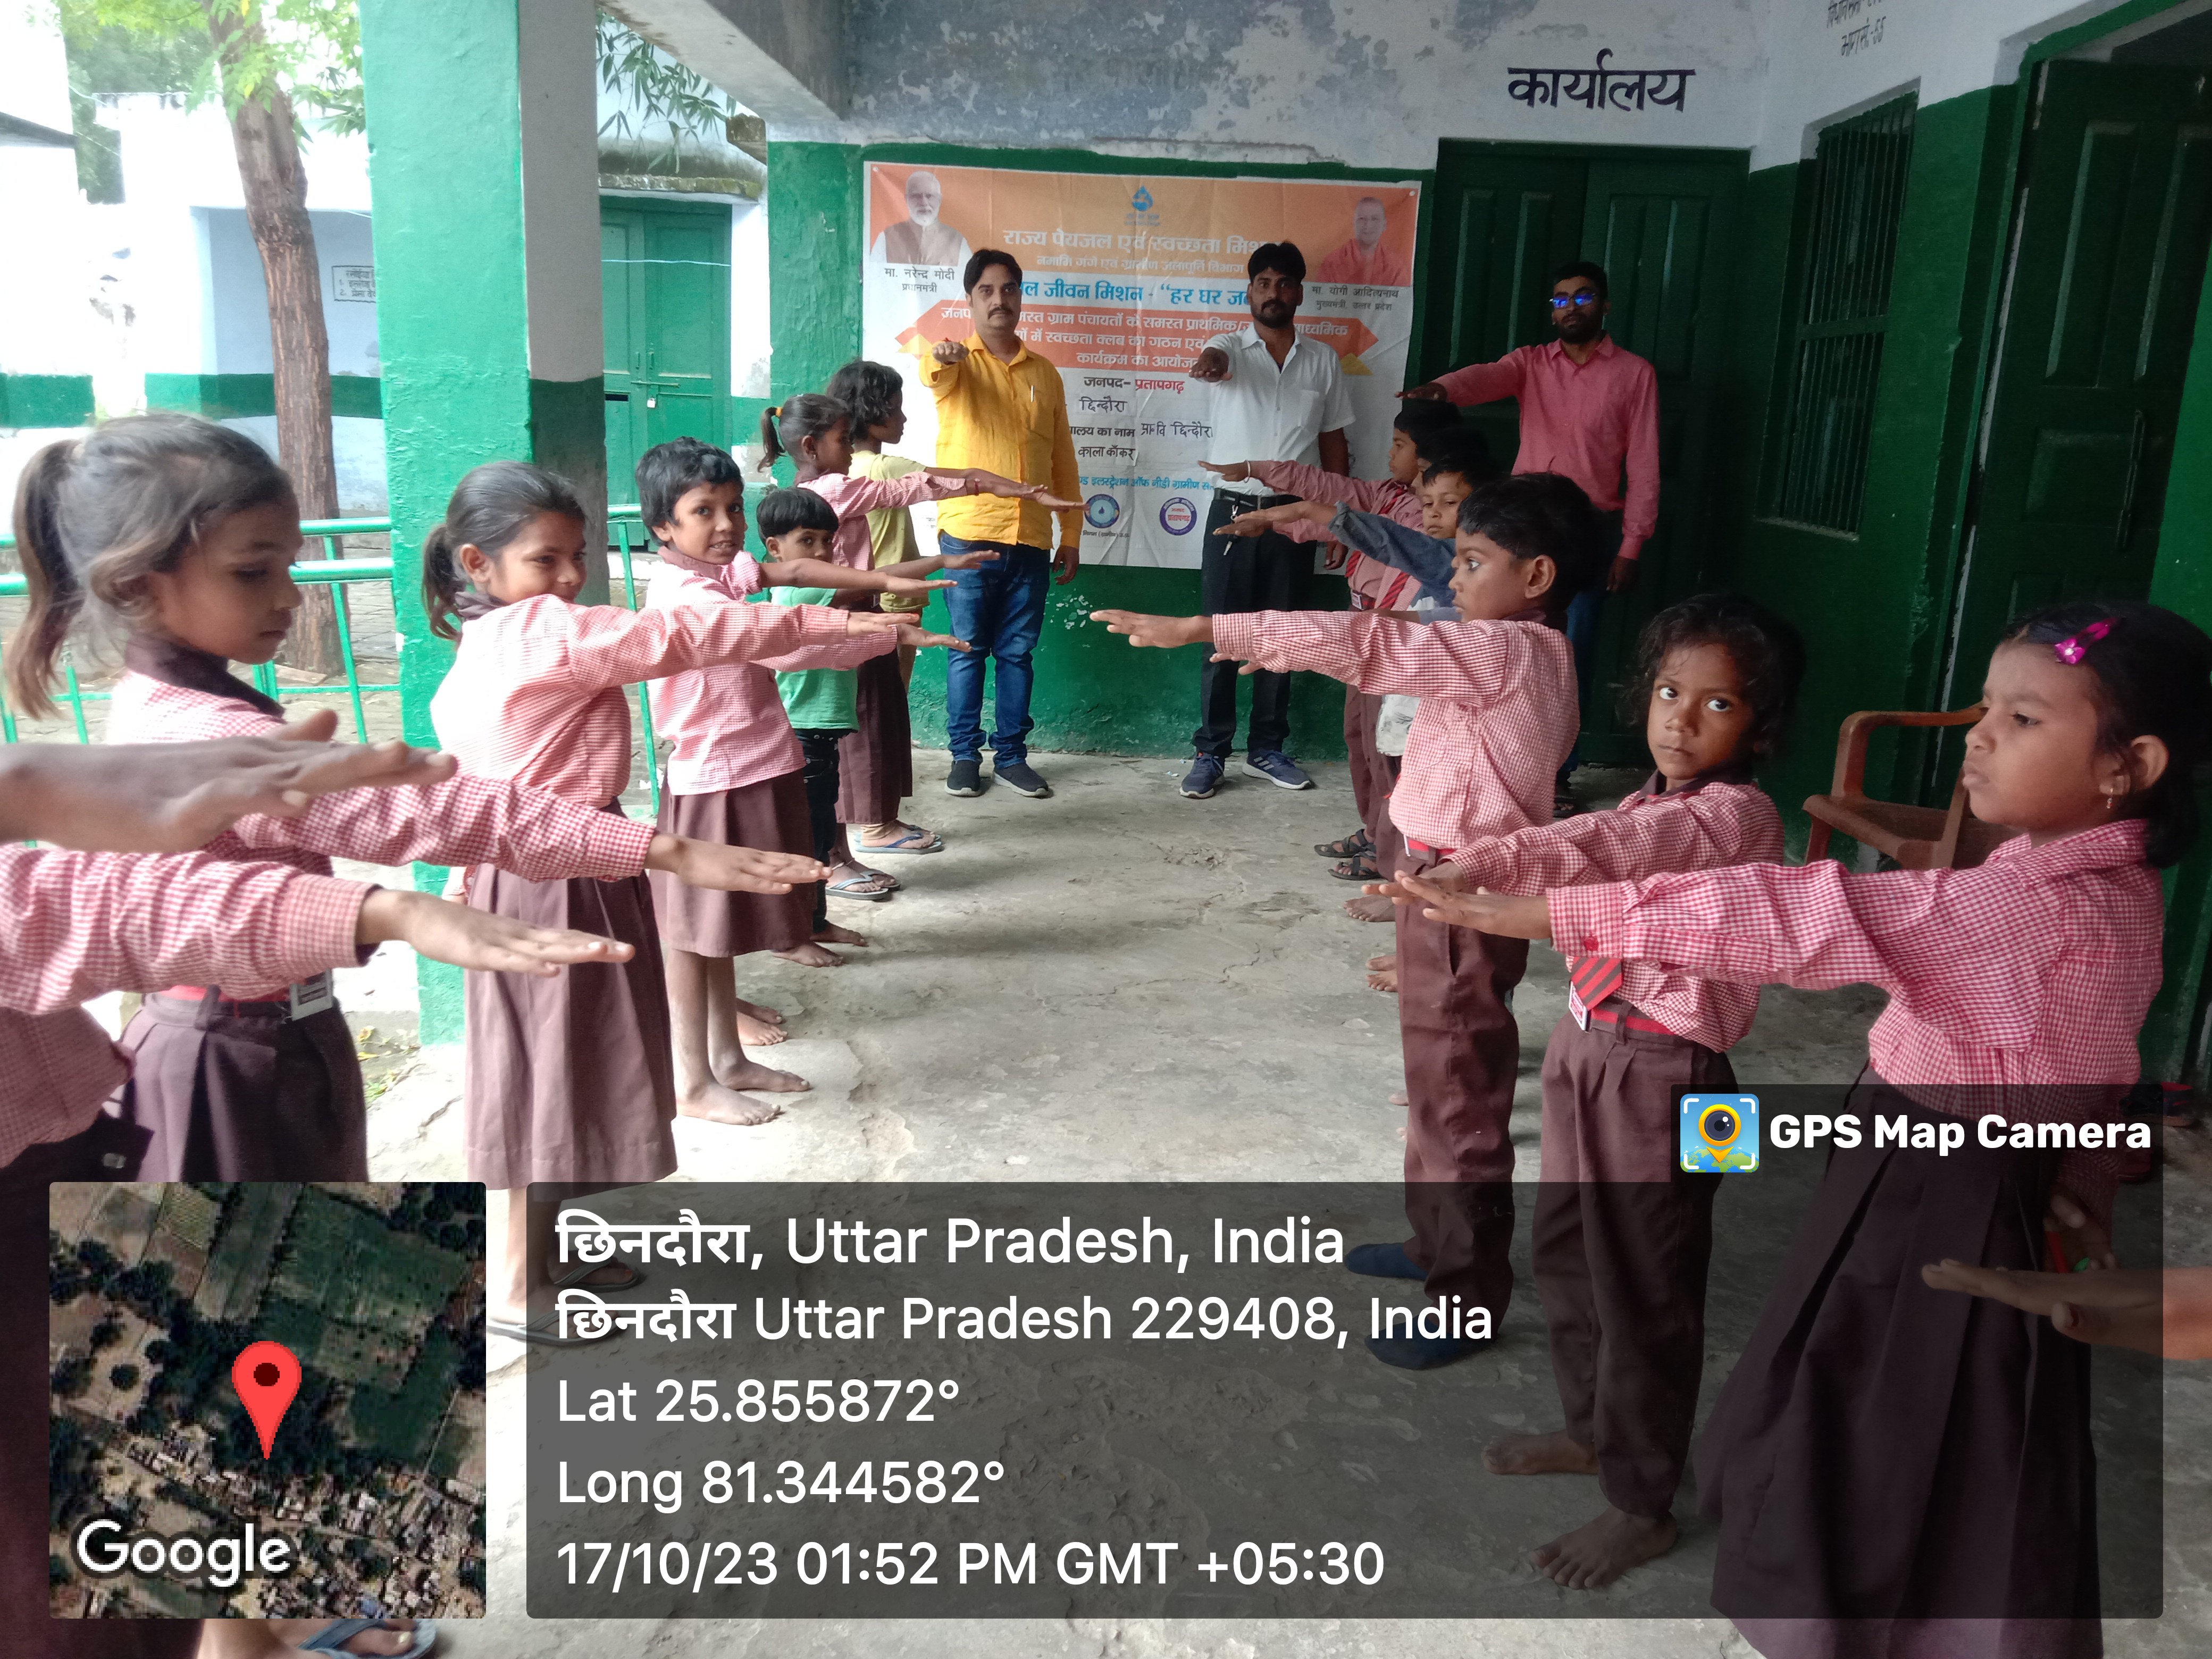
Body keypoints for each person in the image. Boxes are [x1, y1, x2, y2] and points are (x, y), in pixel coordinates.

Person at [1403, 599, 2210, 1654]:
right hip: (1666, 1076)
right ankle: (1613, 1442)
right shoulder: (2060, 881)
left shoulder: (2003, 897)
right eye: (1984, 709)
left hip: (1710, 1096)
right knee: (1606, 1263)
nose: (1977, 737)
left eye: (2022, 719)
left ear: (2127, 766)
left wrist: (1542, 909)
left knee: (1707, 1305)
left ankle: (1678, 1514)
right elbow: (2095, 1063)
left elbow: (1801, 912)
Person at [10, 414, 814, 1186]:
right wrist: (651, 849)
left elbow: (439, 808)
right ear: (137, 584)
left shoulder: (189, 707)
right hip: (231, 1048)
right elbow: (418, 814)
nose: (291, 597)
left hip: (274, 1027)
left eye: (288, 565)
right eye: (253, 572)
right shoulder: (197, 730)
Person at [0, 755, 596, 1659]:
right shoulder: (189, 723)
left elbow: (57, 813)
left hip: (111, 1136)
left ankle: (274, 1611)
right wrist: (379, 911)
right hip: (207, 1072)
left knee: (216, 1383)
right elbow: (87, 902)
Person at [1094, 472, 1608, 1371]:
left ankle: (1466, 1294)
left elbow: (1373, 640)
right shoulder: (1528, 648)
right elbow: (1397, 637)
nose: (1454, 576)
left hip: (1465, 896)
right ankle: (1434, 1241)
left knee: (1459, 1096)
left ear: (1536, 577)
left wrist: (1208, 628)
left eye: (1472, 562)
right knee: (1437, 1080)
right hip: (1443, 884)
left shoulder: (1505, 652)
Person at [421, 460, 913, 1346]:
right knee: (550, 1079)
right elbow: (685, 636)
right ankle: (518, 1285)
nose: (569, 578)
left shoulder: (493, 635)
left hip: (568, 866)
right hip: (551, 881)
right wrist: (851, 623)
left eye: (577, 557)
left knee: (575, 1065)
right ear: (478, 565)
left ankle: (553, 1254)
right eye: (545, 561)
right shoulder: (539, 632)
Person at [1380, 592, 1804, 1590]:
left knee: (1652, 1283)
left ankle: (1642, 1500)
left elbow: (1601, 856)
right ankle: (1592, 1432)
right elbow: (1593, 845)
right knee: (1570, 1251)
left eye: (1718, 705)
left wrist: (1483, 872)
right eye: (1669, 692)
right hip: (1588, 1043)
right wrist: (1475, 874)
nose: (1681, 721)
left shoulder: (1733, 817)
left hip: (1678, 1075)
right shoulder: (1646, 800)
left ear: (1762, 727)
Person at [634, 439, 970, 1121]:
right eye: (704, 511)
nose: (726, 525)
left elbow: (788, 574)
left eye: (733, 507)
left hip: (750, 764)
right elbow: (779, 632)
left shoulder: (719, 574)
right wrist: (873, 624)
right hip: (713, 779)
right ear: (663, 527)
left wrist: (883, 610)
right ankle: (691, 1081)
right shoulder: (687, 597)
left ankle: (725, 1058)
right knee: (693, 935)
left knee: (717, 932)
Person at [764, 391, 1075, 868]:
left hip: (851, 621)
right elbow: (920, 488)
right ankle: (862, 838)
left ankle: (854, 842)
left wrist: (939, 561)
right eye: (844, 440)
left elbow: (882, 566)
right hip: (848, 626)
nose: (852, 450)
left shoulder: (803, 497)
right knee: (855, 738)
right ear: (811, 446)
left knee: (850, 739)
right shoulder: (836, 491)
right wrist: (1013, 490)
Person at [1405, 260, 1660, 815]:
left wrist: (1630, 546)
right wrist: (1443, 390)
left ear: (1605, 306)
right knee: (1503, 643)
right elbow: (1486, 377)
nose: (1570, 308)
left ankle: (1556, 774)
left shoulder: (1634, 374)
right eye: (1560, 299)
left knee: (1570, 653)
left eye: (1582, 297)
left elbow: (1644, 466)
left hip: (1587, 531)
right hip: (1521, 528)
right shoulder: (1530, 364)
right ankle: (1499, 764)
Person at [1221, 442, 1486, 971]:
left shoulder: (1496, 609)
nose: (1432, 513)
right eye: (1428, 502)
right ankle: (1410, 914)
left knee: (1438, 826)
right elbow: (1405, 579)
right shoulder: (1447, 560)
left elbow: (1412, 584)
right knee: (1397, 791)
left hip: (1446, 726)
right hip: (1411, 699)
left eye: (1448, 502)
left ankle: (1425, 934)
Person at [1200, 398, 1470, 882]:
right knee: (1362, 741)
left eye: (1400, 446)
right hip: (1368, 630)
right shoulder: (1388, 493)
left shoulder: (1430, 525)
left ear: (1428, 460)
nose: (1391, 454)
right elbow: (1332, 494)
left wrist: (1291, 515)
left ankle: (1394, 854)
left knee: (1391, 754)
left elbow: (1378, 542)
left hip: (1393, 642)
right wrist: (1271, 504)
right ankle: (1375, 832)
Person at [1183, 241, 1356, 798]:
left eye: (1284, 283)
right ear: (1249, 291)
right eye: (1263, 283)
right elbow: (1212, 359)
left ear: (1299, 293)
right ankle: (1211, 752)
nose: (1273, 293)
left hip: (1294, 518)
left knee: (1283, 634)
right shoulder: (1228, 348)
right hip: (1233, 514)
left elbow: (1333, 441)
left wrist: (1338, 519)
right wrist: (1211, 365)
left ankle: (1267, 749)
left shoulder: (1323, 361)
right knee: (1222, 635)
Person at [920, 249, 1083, 799]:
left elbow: (1062, 460)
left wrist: (1071, 535)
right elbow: (933, 372)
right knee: (966, 649)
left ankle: (1012, 756)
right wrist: (942, 355)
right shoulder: (956, 363)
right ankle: (965, 756)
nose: (999, 300)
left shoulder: (1045, 374)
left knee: (1017, 654)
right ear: (969, 300)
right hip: (969, 532)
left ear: (1020, 297)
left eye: (1009, 289)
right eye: (986, 290)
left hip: (1030, 538)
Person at [869, 169, 973, 269]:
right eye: (917, 196)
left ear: (940, 200)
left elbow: (971, 279)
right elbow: (873, 278)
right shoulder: (887, 237)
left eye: (930, 196)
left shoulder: (957, 240)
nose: (924, 203)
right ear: (907, 199)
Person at [1316, 195, 1412, 286]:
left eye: (1374, 219)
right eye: (1362, 219)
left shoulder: (1396, 268)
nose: (1368, 225)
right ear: (1354, 224)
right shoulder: (1332, 262)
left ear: (1384, 225)